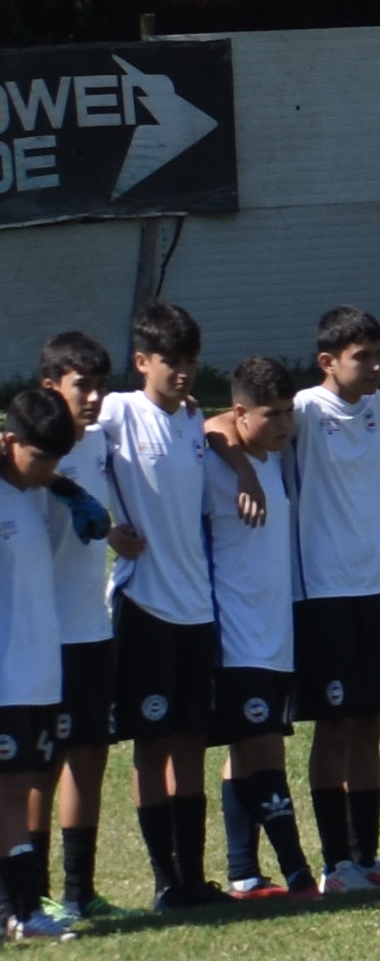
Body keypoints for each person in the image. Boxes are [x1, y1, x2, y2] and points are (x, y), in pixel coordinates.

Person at [93, 302, 226, 905]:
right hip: (144, 605)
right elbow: (59, 435)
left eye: (191, 362)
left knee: (192, 743)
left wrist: (245, 476)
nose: (183, 373)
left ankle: (194, 877)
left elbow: (232, 427)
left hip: (198, 610)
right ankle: (164, 881)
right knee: (151, 747)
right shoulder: (118, 411)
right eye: (171, 362)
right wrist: (105, 527)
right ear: (142, 361)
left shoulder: (194, 421)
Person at [289, 309, 380, 886]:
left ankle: (367, 858)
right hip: (323, 593)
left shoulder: (377, 405)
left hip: (375, 585)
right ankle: (334, 861)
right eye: (362, 356)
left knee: (369, 721)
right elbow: (225, 428)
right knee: (335, 727)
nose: (375, 365)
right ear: (328, 362)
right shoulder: (304, 411)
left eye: (377, 354)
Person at [201, 354, 318, 898]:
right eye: (271, 414)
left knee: (244, 753)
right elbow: (209, 426)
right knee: (264, 750)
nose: (284, 424)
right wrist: (240, 466)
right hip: (236, 635)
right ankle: (298, 873)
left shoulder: (273, 456)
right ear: (242, 413)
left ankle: (244, 872)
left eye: (288, 412)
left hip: (276, 634)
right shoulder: (216, 459)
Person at [36, 337, 118, 915]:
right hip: (46, 637)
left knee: (91, 759)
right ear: (50, 389)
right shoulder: (29, 452)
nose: (92, 398)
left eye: (98, 386)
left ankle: (77, 892)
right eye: (79, 386)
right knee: (42, 767)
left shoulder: (102, 440)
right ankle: (27, 892)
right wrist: (63, 487)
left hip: (95, 627)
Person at [0, 381, 71, 936]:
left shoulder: (43, 494)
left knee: (20, 789)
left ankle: (20, 910)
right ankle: (20, 910)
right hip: (5, 678)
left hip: (37, 672)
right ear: (9, 441)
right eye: (38, 457)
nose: (47, 469)